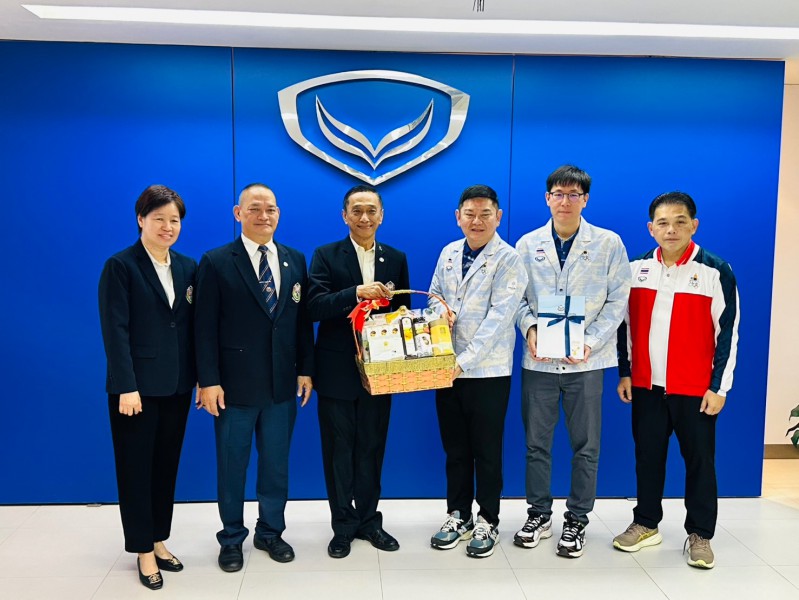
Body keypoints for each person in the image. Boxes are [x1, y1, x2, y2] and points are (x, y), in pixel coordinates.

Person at [613, 191, 739, 569]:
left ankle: (700, 534)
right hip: (646, 386)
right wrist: (625, 372)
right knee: (647, 458)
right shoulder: (635, 268)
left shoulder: (715, 270)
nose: (671, 229)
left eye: (680, 221)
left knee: (700, 462)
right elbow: (624, 327)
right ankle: (646, 523)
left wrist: (719, 387)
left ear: (693, 225)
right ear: (651, 228)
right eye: (663, 223)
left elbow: (728, 333)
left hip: (695, 390)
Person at [195, 183, 314, 572]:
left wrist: (306, 369)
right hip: (233, 388)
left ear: (279, 213)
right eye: (255, 208)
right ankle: (231, 538)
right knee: (233, 467)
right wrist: (208, 380)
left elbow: (300, 323)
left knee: (275, 466)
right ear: (238, 213)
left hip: (282, 386)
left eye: (271, 209)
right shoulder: (216, 261)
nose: (264, 216)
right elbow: (203, 328)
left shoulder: (294, 259)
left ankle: (270, 532)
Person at [514, 165, 631, 558]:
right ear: (547, 198)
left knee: (586, 445)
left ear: (586, 199)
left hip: (587, 364)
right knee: (536, 444)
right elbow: (516, 298)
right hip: (539, 363)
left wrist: (590, 342)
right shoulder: (526, 245)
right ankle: (539, 514)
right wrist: (530, 328)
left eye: (574, 194)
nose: (565, 201)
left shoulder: (609, 243)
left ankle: (577, 519)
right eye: (558, 194)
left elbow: (619, 300)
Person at [99, 184, 196, 590]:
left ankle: (158, 539)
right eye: (159, 219)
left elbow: (190, 328)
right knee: (136, 470)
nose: (167, 227)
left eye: (174, 220)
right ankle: (142, 550)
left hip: (177, 386)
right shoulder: (121, 266)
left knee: (164, 467)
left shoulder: (188, 267)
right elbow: (115, 331)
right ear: (141, 219)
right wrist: (126, 386)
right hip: (135, 391)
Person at [307, 184, 410, 559]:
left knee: (371, 447)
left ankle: (369, 521)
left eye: (371, 210)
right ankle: (343, 526)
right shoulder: (325, 255)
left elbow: (401, 312)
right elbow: (314, 307)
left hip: (381, 371)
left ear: (381, 216)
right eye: (357, 210)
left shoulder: (395, 258)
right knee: (338, 451)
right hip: (336, 370)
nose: (364, 217)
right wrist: (356, 293)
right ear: (345, 216)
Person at [428, 184, 527, 558]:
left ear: (498, 217)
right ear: (458, 217)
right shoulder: (449, 253)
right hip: (445, 367)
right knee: (455, 448)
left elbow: (500, 318)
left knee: (486, 450)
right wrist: (439, 315)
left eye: (485, 214)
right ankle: (458, 515)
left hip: (487, 371)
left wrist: (463, 361)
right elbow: (435, 295)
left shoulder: (509, 259)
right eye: (470, 214)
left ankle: (488, 519)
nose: (477, 221)